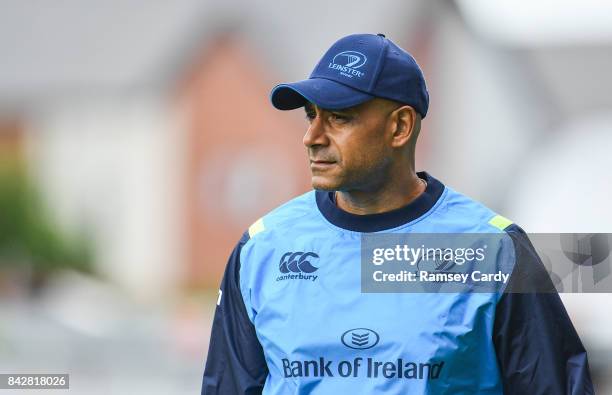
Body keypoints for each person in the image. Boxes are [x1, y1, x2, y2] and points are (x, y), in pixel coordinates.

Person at [201, 33, 593, 394]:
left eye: (339, 117)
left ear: (401, 126)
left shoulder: (493, 249)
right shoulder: (263, 248)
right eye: (310, 116)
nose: (312, 137)